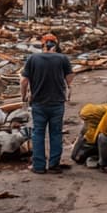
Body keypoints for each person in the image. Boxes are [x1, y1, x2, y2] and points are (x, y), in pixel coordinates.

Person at [21, 33, 74, 175]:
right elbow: (69, 77)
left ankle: (38, 166)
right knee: (56, 133)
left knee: (38, 133)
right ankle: (54, 165)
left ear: (42, 44)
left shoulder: (33, 59)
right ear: (56, 44)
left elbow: (24, 81)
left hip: (39, 102)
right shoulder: (62, 59)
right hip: (57, 102)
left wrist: (23, 96)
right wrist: (68, 88)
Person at [71, 101, 107, 165]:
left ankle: (103, 162)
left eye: (86, 120)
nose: (86, 122)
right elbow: (83, 135)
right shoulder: (92, 119)